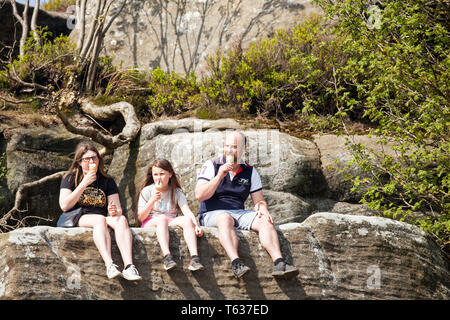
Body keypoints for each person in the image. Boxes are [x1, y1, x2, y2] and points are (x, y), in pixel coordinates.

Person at [195, 130, 298, 278]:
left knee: (264, 220)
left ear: (244, 149)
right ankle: (236, 262)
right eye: (227, 146)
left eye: (234, 147)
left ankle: (279, 262)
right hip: (212, 213)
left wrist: (262, 209)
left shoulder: (250, 171)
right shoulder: (212, 165)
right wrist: (219, 176)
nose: (229, 150)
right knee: (225, 218)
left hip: (238, 212)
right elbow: (199, 195)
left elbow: (259, 200)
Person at [59, 141, 142, 281]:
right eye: (87, 159)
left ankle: (129, 267)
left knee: (121, 220)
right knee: (100, 220)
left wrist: (114, 211)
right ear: (79, 162)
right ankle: (109, 264)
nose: (91, 161)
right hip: (79, 216)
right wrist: (84, 183)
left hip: (101, 217)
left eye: (94, 158)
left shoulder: (107, 181)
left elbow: (118, 210)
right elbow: (64, 205)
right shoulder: (70, 178)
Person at [136, 159, 204, 271]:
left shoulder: (176, 191)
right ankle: (167, 257)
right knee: (161, 219)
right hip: (151, 221)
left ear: (170, 174)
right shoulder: (147, 191)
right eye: (155, 175)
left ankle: (194, 258)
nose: (158, 178)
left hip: (170, 220)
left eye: (162, 174)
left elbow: (186, 211)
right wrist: (151, 201)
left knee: (186, 220)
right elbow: (141, 217)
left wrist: (196, 225)